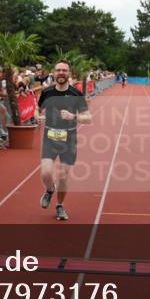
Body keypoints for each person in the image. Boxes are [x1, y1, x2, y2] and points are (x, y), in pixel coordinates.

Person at [38, 60, 92, 221]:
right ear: (54, 73)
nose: (61, 73)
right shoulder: (47, 92)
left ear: (69, 73)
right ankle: (49, 189)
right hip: (50, 137)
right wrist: (37, 117)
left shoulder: (76, 94)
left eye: (64, 70)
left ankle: (60, 205)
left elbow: (88, 118)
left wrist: (73, 116)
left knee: (63, 176)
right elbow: (37, 108)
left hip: (69, 139)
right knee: (46, 173)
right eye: (58, 70)